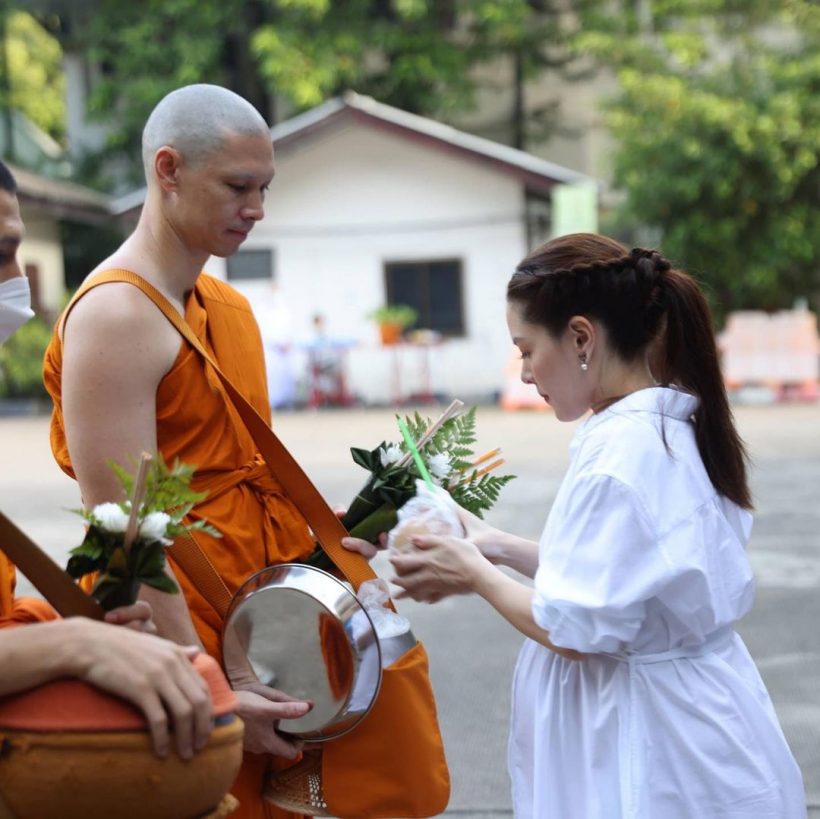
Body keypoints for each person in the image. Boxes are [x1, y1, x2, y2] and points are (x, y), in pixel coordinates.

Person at [380, 233, 807, 817]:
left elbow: (574, 627)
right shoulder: (666, 424)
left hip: (647, 732)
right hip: (690, 715)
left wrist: (475, 572)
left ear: (580, 337)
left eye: (527, 350)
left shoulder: (621, 453)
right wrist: (495, 545)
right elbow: (629, 578)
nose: (526, 372)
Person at [43, 85, 316, 819]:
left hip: (249, 607)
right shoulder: (118, 313)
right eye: (237, 186)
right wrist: (215, 681)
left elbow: (239, 470)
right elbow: (126, 524)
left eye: (264, 188)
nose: (256, 207)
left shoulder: (219, 305)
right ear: (168, 170)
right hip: (179, 631)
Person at [0, 158, 213, 761]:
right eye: (0, 253)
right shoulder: (115, 310)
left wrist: (70, 631)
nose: (17, 281)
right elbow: (118, 501)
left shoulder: (218, 306)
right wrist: (72, 647)